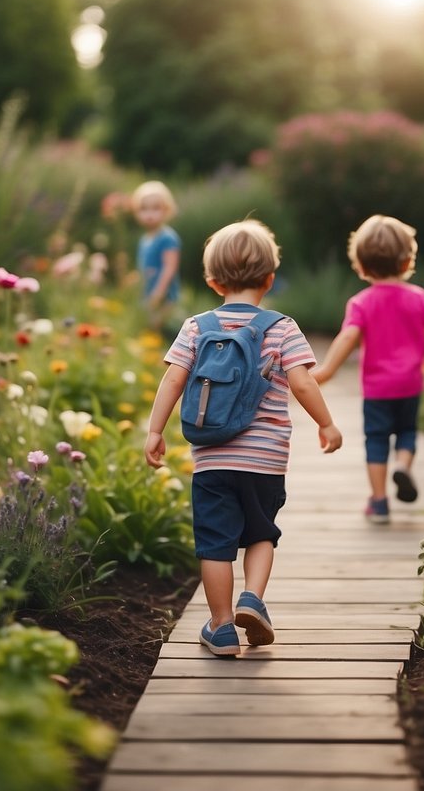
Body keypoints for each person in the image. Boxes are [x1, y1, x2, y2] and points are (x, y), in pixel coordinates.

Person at [144, 220, 343, 657]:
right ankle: (252, 598)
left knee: (215, 545)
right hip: (267, 461)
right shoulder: (283, 327)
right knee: (260, 534)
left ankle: (222, 627)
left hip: (212, 460)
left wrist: (156, 429)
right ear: (270, 279)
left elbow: (173, 379)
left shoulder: (197, 326)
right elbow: (304, 383)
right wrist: (326, 423)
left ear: (213, 281)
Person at [311, 214, 424, 524]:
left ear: (361, 265)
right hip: (410, 383)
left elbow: (349, 336)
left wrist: (327, 369)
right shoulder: (418, 297)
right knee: (408, 431)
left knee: (377, 440)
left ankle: (380, 502)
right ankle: (403, 467)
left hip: (377, 389)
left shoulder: (361, 303)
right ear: (407, 260)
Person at [132, 180, 181, 331]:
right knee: (147, 329)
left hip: (163, 296)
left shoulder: (168, 237)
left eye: (155, 208)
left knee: (158, 330)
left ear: (166, 209)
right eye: (144, 209)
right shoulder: (145, 239)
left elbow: (170, 268)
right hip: (147, 292)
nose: (149, 214)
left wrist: (158, 293)